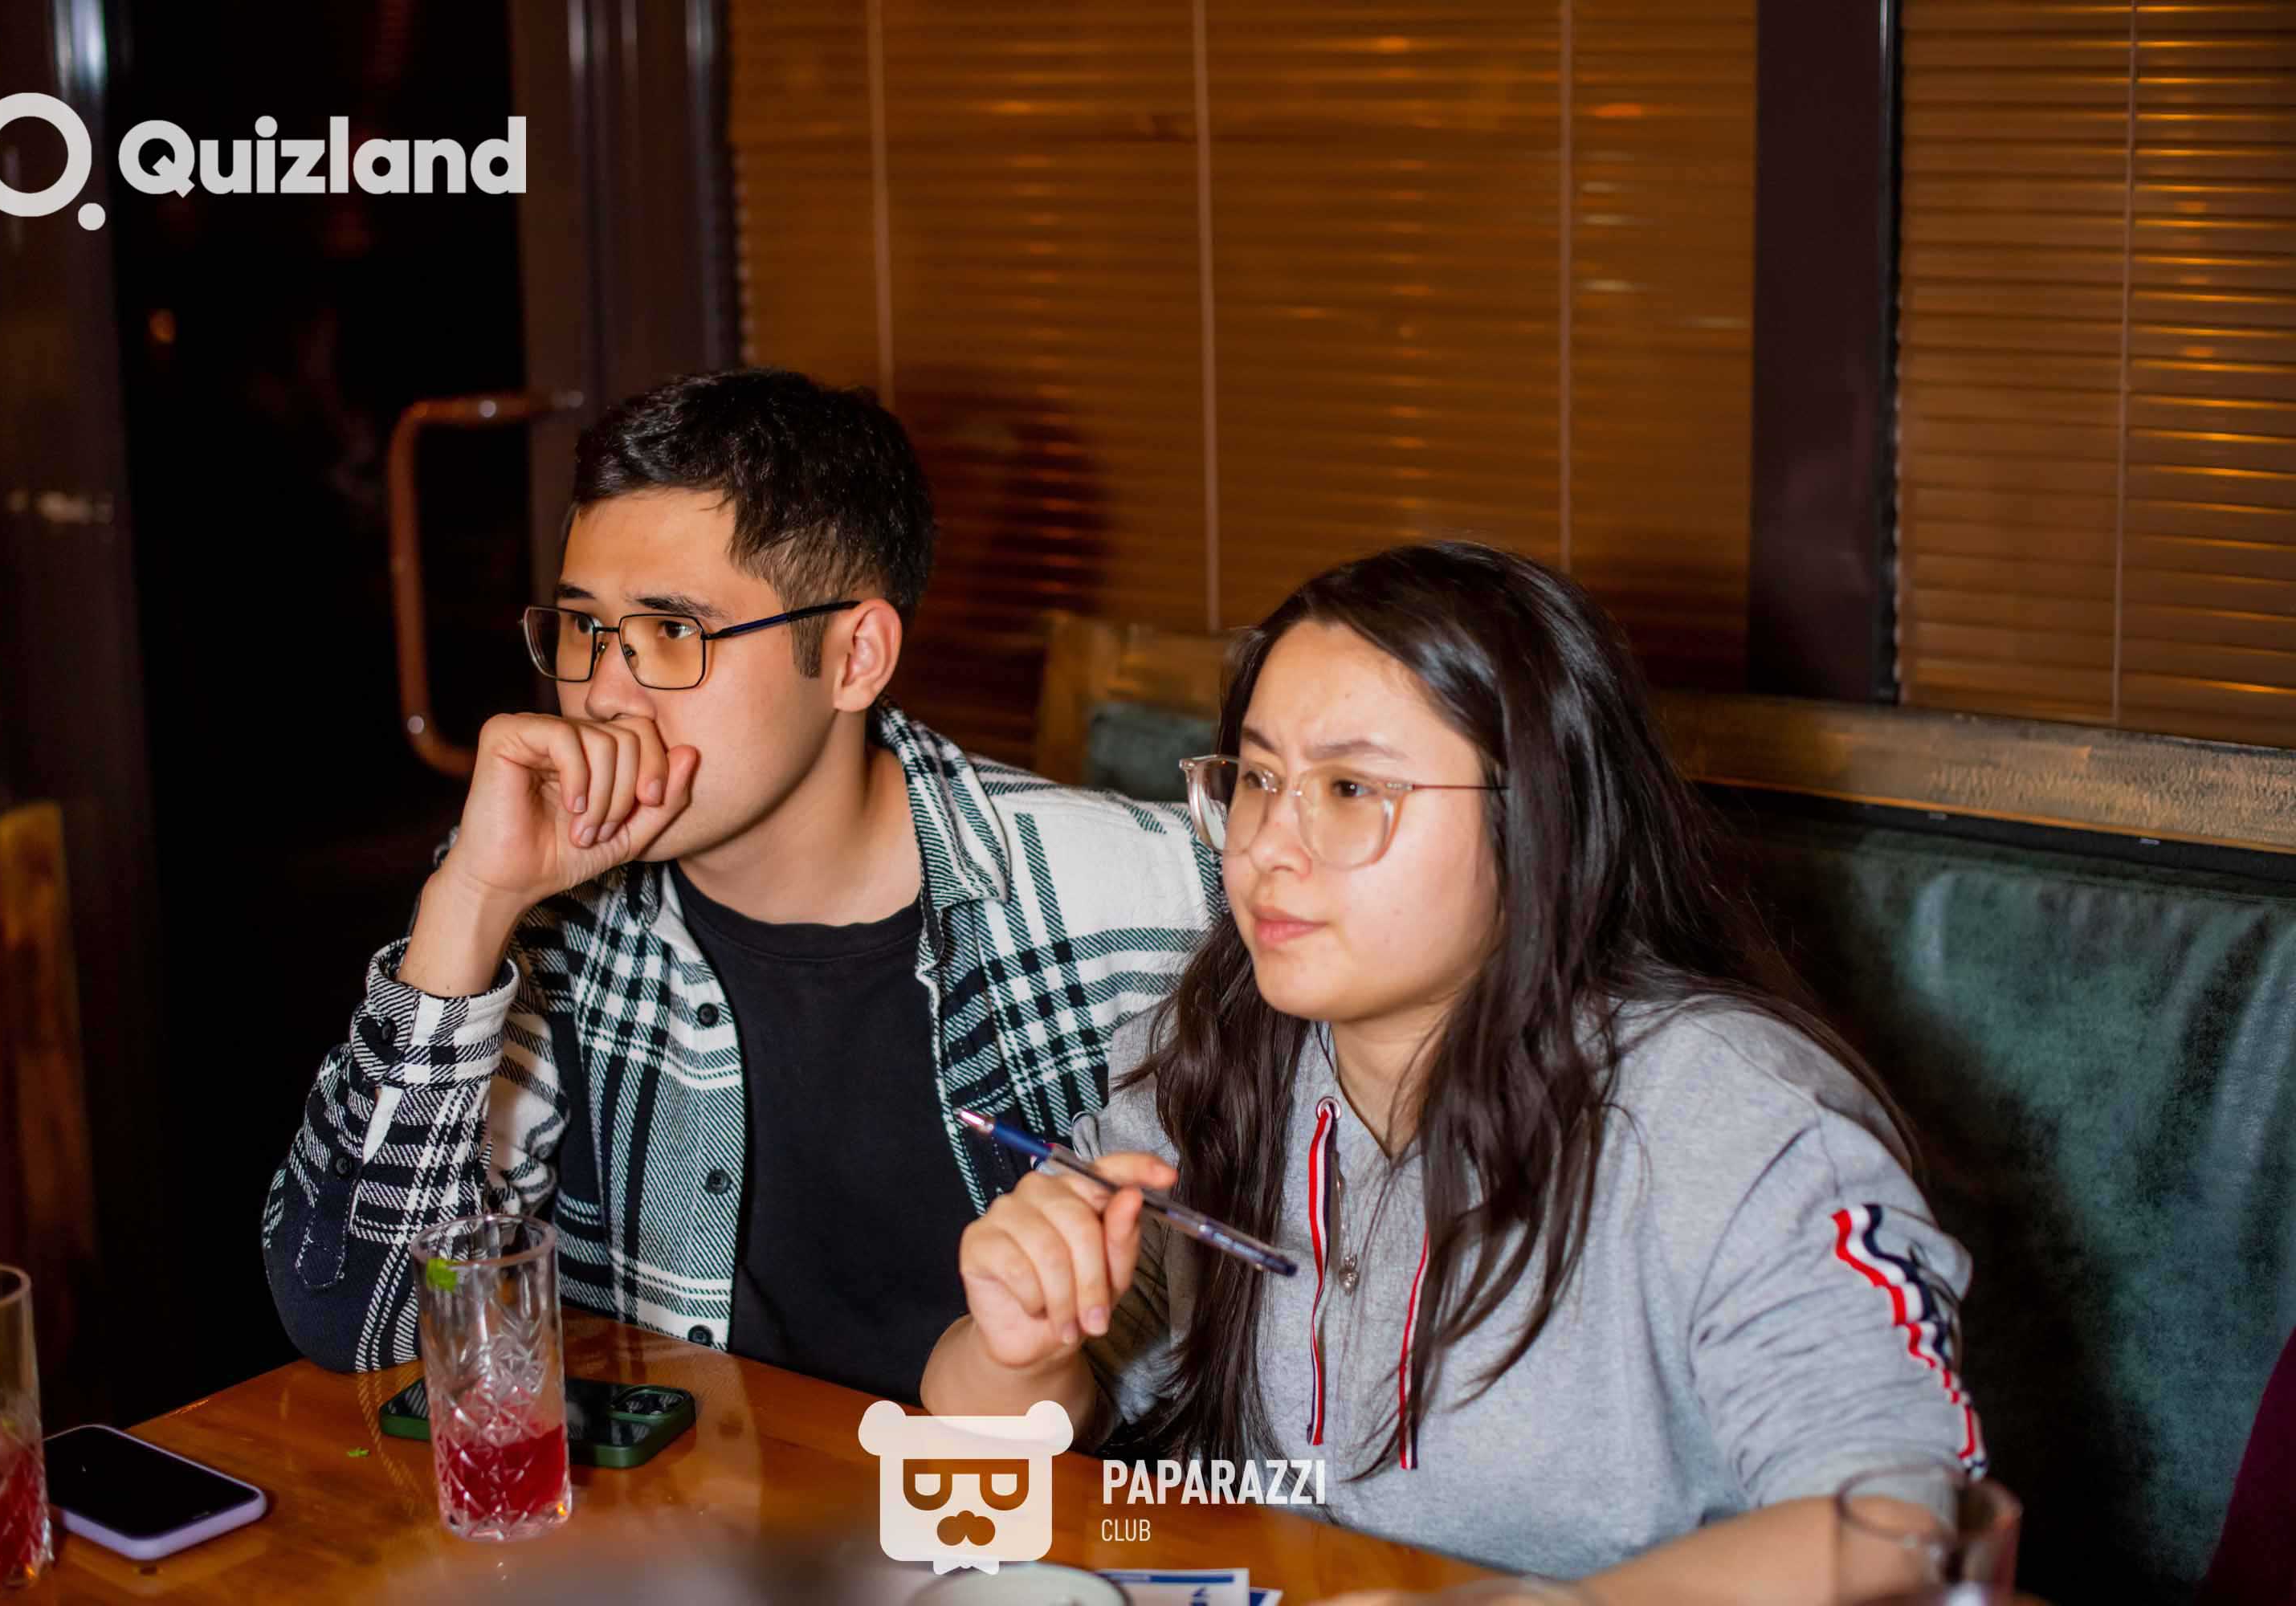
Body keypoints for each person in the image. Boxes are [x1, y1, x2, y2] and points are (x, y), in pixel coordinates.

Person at [921, 542, 1985, 1603]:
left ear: (1537, 819)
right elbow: (977, 1462)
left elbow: (1904, 1530)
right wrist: (1020, 1347)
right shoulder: (1210, 1055)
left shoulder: (1744, 1123)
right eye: (1257, 778)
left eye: (1350, 787)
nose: (1266, 847)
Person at [263, 369, 1216, 1402]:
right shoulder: (537, 900)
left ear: (855, 657)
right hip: (684, 1502)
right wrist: (470, 901)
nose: (604, 694)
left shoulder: (1149, 899)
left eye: (673, 632)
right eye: (584, 629)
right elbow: (356, 1316)